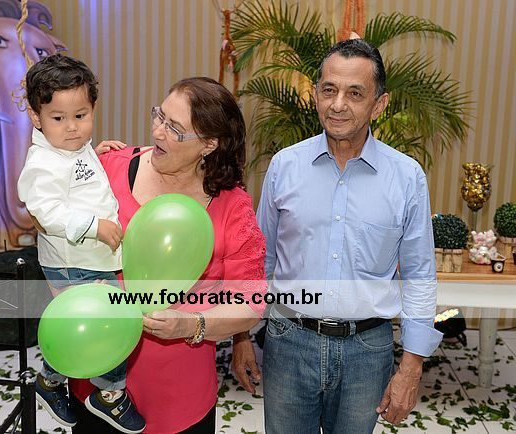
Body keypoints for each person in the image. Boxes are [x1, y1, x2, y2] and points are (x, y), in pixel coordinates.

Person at [232, 38, 443, 433]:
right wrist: (241, 335)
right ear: (316, 94)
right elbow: (259, 262)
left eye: (355, 93)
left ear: (379, 104)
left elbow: (418, 276)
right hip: (289, 340)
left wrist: (411, 366)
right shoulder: (285, 167)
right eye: (329, 90)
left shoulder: (406, 177)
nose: (338, 104)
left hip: (367, 350)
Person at [68, 76, 267, 433]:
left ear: (209, 144)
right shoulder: (111, 167)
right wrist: (74, 169)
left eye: (175, 128)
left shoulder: (232, 206)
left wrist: (192, 325)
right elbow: (49, 218)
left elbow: (249, 302)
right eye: (159, 116)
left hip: (178, 391)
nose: (157, 131)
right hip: (96, 374)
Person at [17, 54, 145, 433]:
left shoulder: (74, 148)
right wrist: (94, 226)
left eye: (81, 115)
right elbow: (47, 211)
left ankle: (51, 381)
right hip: (72, 260)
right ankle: (109, 394)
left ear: (93, 109)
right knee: (112, 321)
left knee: (83, 322)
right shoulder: (42, 162)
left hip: (91, 258)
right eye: (58, 118)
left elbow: (77, 178)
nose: (72, 127)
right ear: (36, 117)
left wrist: (96, 153)